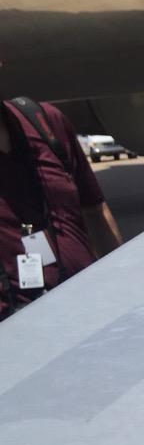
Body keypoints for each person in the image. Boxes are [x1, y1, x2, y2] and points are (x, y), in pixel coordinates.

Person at [0, 96, 122, 320]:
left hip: (89, 306)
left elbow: (95, 210)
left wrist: (123, 290)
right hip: (13, 330)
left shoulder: (44, 122)